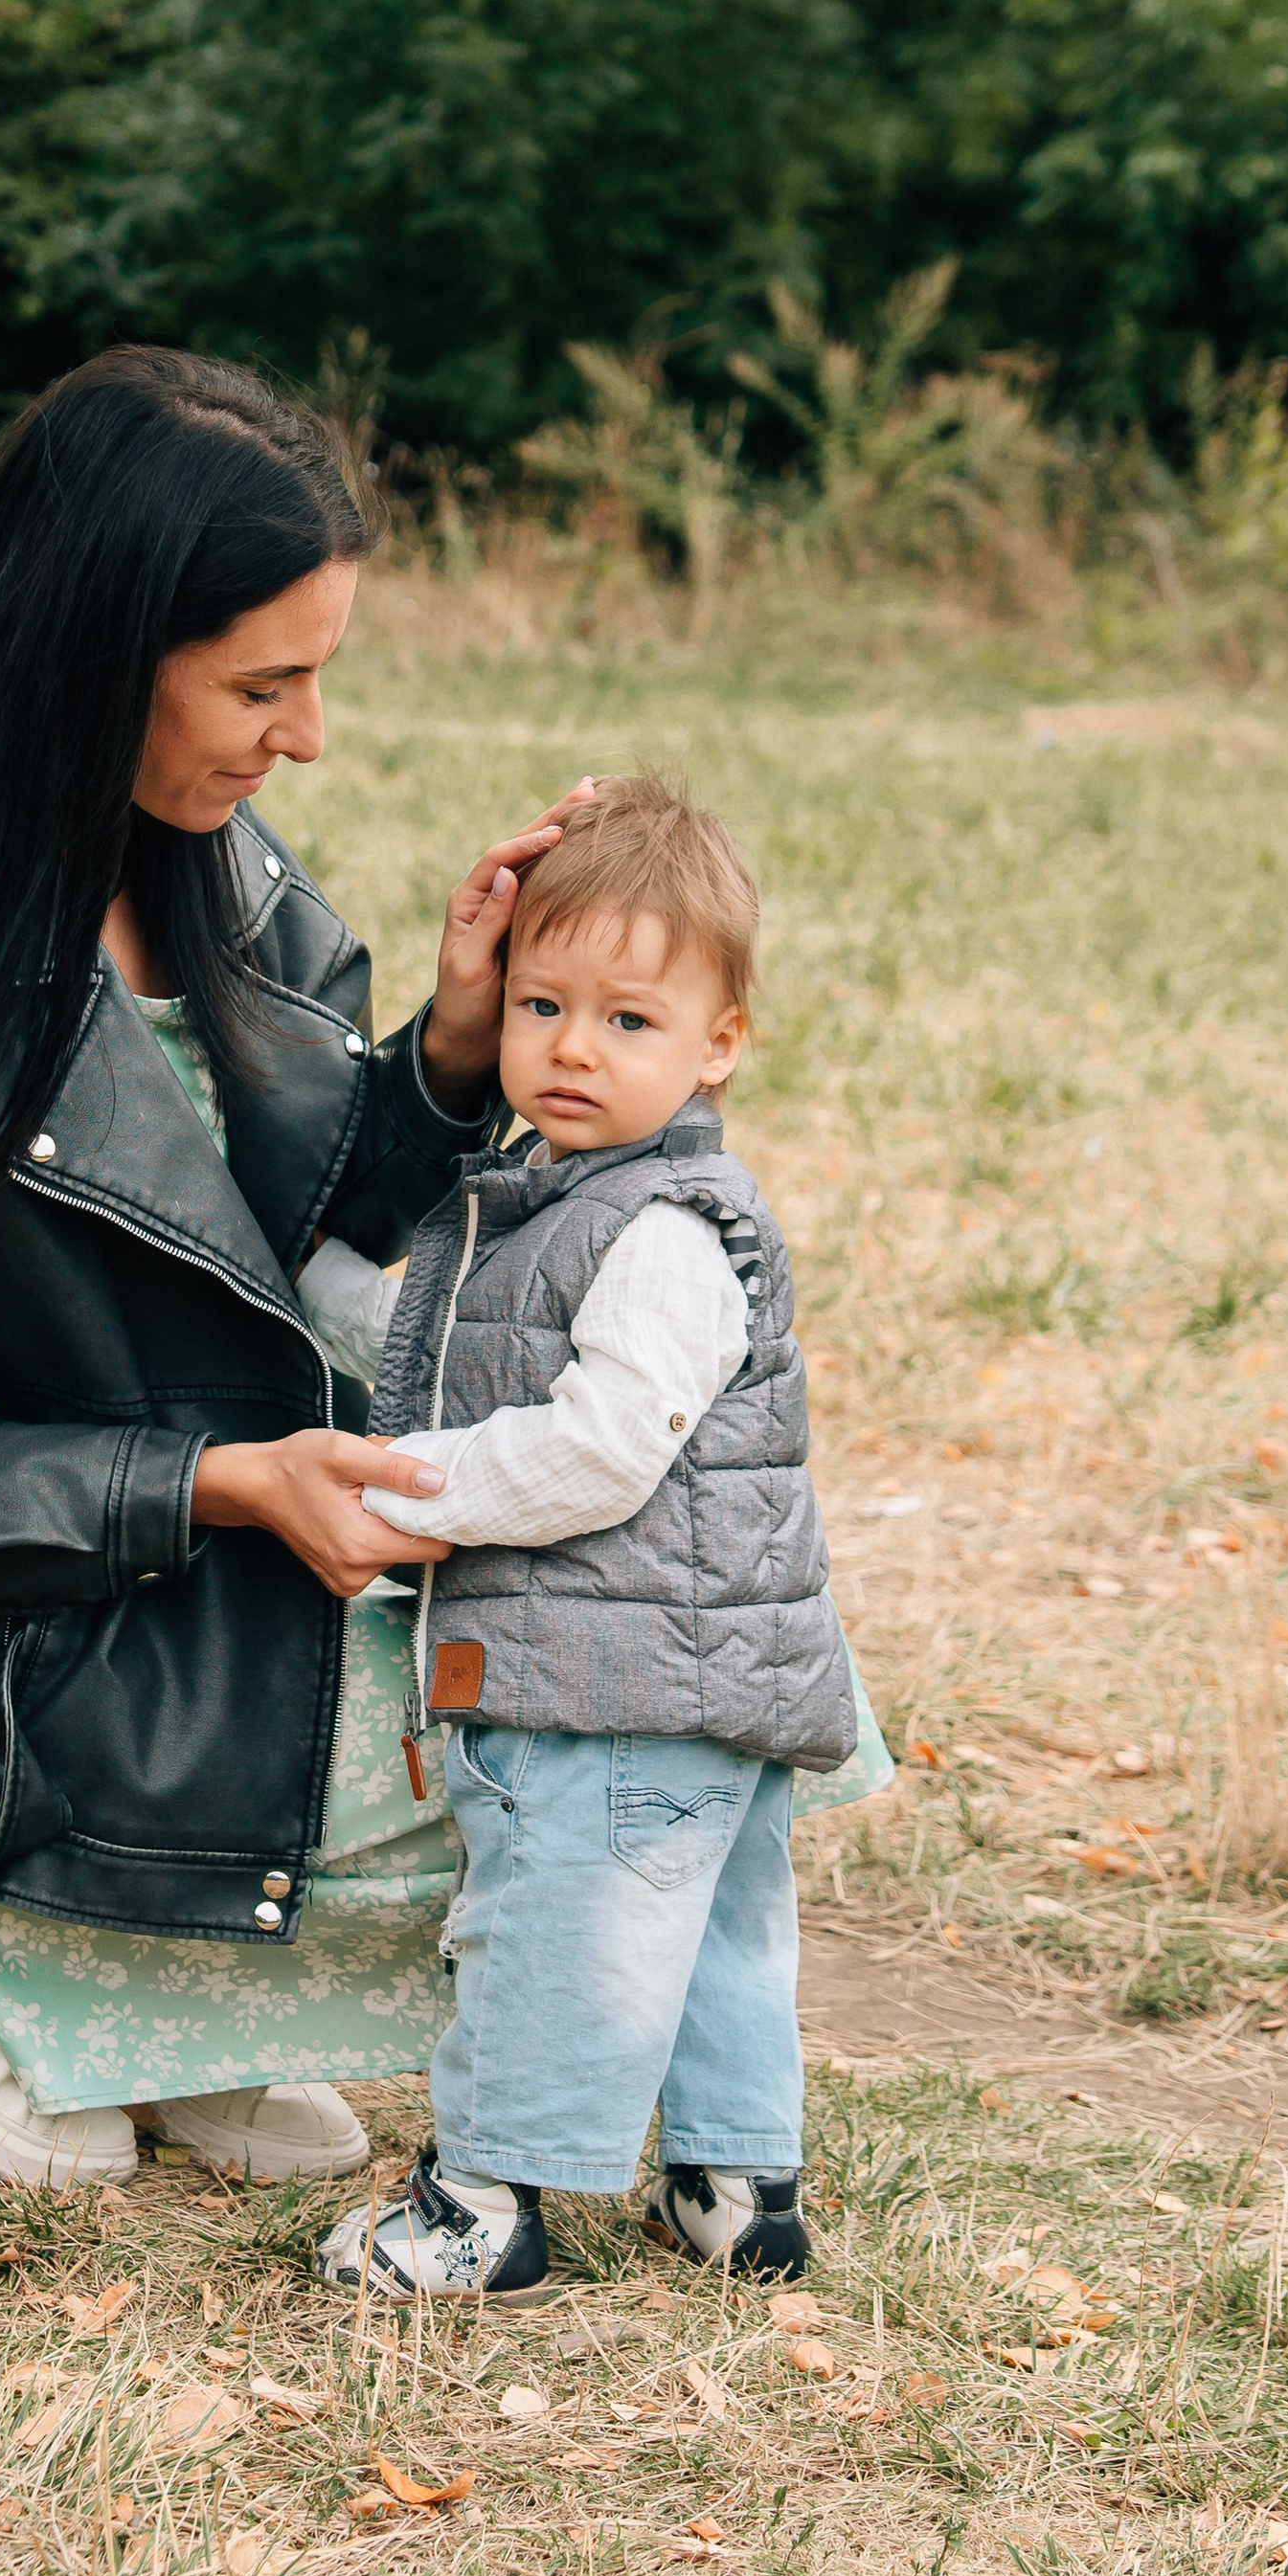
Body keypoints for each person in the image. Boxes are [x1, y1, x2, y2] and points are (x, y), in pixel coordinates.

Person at [0, 343, 587, 2186]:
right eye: (265, 681)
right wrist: (226, 1481)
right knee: (566, 1741)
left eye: (319, 672)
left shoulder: (224, 881)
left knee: (650, 1656)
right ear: (98, 660)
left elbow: (294, 1236)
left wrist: (458, 1052)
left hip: (183, 1579)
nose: (307, 732)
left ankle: (159, 1998)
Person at [313, 773, 857, 2300]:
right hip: (692, 1666)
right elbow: (434, 1327)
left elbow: (602, 1451)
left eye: (629, 1020)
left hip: (609, 1675)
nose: (571, 1047)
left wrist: (403, 1494)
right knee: (709, 1933)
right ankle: (736, 2181)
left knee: (554, 1930)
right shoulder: (569, 1197)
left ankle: (481, 2204)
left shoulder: (666, 1228)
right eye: (545, 1005)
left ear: (719, 1046)